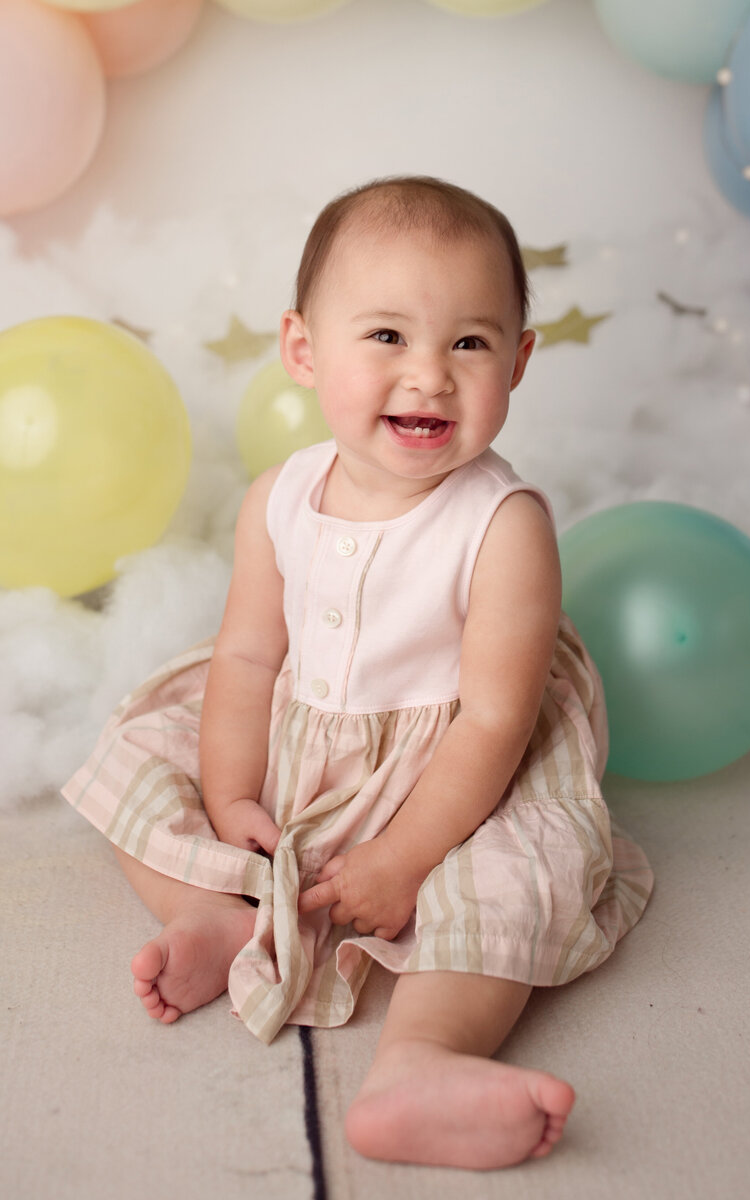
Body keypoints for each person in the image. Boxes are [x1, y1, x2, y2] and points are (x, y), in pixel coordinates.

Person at [62, 175, 654, 1171]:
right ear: (303, 351)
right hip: (304, 734)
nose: (427, 376)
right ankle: (208, 915)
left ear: (516, 360)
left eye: (467, 343)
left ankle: (421, 1055)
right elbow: (249, 656)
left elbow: (495, 723)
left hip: (455, 777)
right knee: (132, 756)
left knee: (518, 876)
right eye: (385, 337)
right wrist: (228, 788)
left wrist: (408, 855)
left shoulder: (502, 527)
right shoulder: (279, 499)